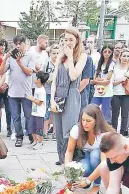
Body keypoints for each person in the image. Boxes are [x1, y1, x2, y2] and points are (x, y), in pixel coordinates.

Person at [50, 27, 86, 165]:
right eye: (66, 39)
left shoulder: (82, 57)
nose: (68, 42)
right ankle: (62, 158)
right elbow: (54, 81)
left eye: (71, 39)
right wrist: (52, 100)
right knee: (58, 131)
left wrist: (70, 57)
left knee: (69, 130)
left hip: (71, 94)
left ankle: (70, 159)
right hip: (58, 94)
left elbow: (73, 75)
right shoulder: (60, 56)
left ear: (77, 41)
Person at [64, 104, 114, 194]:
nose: (84, 124)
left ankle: (96, 185)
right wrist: (68, 172)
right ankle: (86, 180)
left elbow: (104, 163)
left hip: (101, 158)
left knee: (95, 156)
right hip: (84, 154)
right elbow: (69, 151)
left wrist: (87, 181)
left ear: (97, 121)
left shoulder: (104, 135)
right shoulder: (77, 129)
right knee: (84, 168)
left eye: (88, 121)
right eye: (83, 120)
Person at [0, 35, 38, 147]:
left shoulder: (30, 55)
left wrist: (19, 62)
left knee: (28, 116)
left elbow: (29, 72)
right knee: (15, 117)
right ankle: (19, 136)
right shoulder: (11, 56)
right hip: (13, 92)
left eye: (19, 44)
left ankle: (31, 134)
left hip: (26, 92)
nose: (17, 46)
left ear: (24, 44)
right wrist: (5, 59)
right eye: (15, 44)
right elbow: (1, 72)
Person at [111, 49, 129, 136]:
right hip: (115, 94)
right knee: (115, 114)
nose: (125, 58)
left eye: (127, 56)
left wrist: (128, 76)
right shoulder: (115, 67)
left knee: (125, 114)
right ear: (120, 57)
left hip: (127, 94)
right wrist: (120, 80)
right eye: (124, 56)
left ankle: (123, 132)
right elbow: (111, 82)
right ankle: (114, 132)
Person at [91, 45, 115, 122]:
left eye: (109, 52)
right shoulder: (99, 63)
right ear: (102, 52)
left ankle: (106, 128)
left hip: (107, 92)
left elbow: (107, 81)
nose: (107, 53)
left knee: (105, 111)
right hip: (97, 91)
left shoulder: (112, 64)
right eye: (105, 51)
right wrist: (100, 81)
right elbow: (94, 79)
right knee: (92, 108)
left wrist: (97, 81)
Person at [27, 71, 48, 150]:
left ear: (39, 80)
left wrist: (31, 98)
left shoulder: (42, 90)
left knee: (39, 128)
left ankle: (40, 142)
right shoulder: (36, 88)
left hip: (40, 113)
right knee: (32, 127)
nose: (34, 79)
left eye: (36, 77)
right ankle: (35, 141)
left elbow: (39, 103)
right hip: (34, 112)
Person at [0, 39, 12, 136]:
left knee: (9, 109)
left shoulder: (8, 57)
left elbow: (9, 72)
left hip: (7, 86)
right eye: (1, 45)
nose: (3, 47)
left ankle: (9, 129)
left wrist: (6, 83)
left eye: (4, 45)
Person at [44, 44, 59, 140]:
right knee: (46, 112)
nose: (56, 55)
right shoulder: (47, 63)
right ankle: (45, 132)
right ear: (50, 54)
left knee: (56, 111)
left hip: (57, 92)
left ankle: (55, 133)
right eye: (54, 53)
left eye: (57, 53)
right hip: (47, 90)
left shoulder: (60, 64)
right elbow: (41, 75)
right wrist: (47, 79)